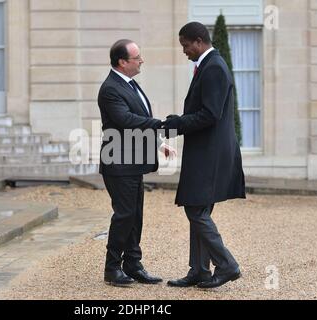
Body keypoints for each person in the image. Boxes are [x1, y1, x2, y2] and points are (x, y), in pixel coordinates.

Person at [163, 22, 246, 289]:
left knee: (196, 209)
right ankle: (199, 270)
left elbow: (211, 115)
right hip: (207, 151)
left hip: (210, 154)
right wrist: (181, 120)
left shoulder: (214, 68)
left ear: (198, 41)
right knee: (198, 207)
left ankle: (227, 265)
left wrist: (178, 124)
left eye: (186, 46)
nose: (185, 51)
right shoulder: (210, 66)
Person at [98, 39, 175, 287]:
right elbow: (125, 119)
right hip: (119, 163)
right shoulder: (111, 88)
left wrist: (157, 144)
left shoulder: (130, 84)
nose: (141, 60)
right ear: (122, 62)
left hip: (133, 162)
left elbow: (138, 118)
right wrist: (160, 124)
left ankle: (133, 264)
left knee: (135, 215)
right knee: (125, 215)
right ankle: (112, 269)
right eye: (137, 57)